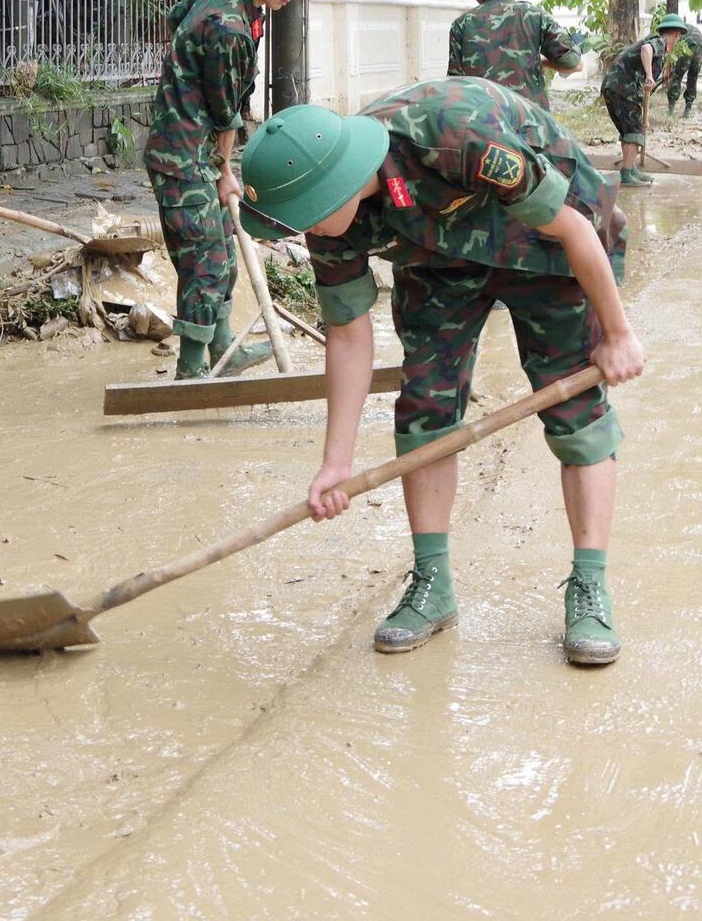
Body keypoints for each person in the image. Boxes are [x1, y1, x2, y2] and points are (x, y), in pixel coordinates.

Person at [236, 77, 644, 665]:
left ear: (339, 184)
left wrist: (620, 335)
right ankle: (433, 584)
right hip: (438, 257)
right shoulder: (332, 219)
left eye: (304, 217)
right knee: (425, 407)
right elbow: (349, 335)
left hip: (545, 246)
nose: (301, 231)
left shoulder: (457, 137)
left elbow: (577, 230)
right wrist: (336, 462)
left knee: (575, 414)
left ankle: (589, 585)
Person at [146, 0, 317, 379]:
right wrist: (226, 171)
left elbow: (174, 18)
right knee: (205, 260)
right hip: (184, 156)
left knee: (223, 248)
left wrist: (184, 70)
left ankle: (222, 348)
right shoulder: (230, 29)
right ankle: (190, 370)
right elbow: (226, 115)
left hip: (192, 147)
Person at [446, 0, 582, 111]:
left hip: (483, 124)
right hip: (531, 122)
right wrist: (540, 61)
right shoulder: (534, 16)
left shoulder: (461, 24)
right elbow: (573, 62)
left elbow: (454, 86)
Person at [600, 15, 689, 186]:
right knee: (634, 133)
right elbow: (646, 49)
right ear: (677, 34)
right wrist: (649, 74)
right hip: (623, 89)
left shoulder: (658, 44)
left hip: (615, 88)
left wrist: (644, 118)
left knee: (630, 130)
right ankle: (626, 174)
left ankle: (631, 169)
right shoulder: (658, 42)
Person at [663, 24, 702, 116]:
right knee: (693, 78)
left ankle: (671, 110)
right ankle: (688, 110)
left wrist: (668, 69)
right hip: (701, 46)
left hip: (689, 45)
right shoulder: (682, 27)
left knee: (677, 76)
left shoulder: (672, 32)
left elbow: (670, 51)